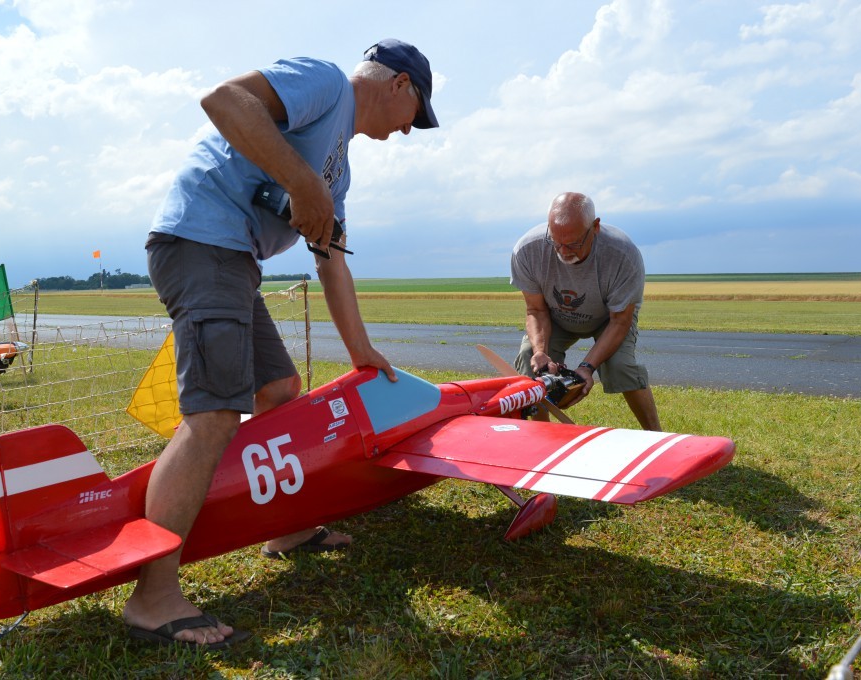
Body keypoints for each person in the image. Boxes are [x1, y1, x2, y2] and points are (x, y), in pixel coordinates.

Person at [123, 40, 440, 649]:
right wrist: (299, 182)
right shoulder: (323, 82)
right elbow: (223, 99)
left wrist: (362, 351)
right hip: (200, 244)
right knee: (213, 414)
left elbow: (331, 263)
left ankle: (286, 528)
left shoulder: (337, 169)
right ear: (400, 84)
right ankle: (154, 597)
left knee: (278, 389)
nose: (407, 133)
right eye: (415, 117)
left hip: (234, 258)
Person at [510, 192, 661, 431]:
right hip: (554, 315)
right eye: (556, 242)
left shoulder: (623, 255)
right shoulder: (528, 249)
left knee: (620, 366)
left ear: (596, 227)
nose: (564, 251)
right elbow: (536, 309)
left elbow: (620, 321)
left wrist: (587, 368)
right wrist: (541, 351)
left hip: (608, 319)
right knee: (532, 361)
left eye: (573, 243)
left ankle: (656, 436)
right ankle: (543, 435)